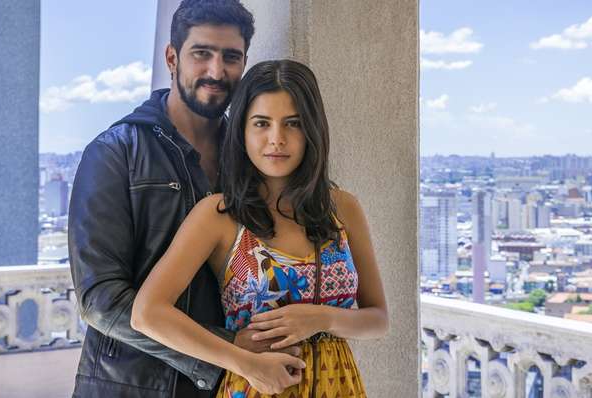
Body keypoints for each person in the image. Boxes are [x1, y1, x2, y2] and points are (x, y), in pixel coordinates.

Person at [131, 60, 389, 397]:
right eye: (261, 123)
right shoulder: (219, 215)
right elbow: (147, 313)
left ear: (312, 129)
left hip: (340, 386)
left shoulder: (342, 208)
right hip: (257, 388)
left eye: (292, 124)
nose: (276, 139)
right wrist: (244, 363)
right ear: (242, 131)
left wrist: (322, 318)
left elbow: (378, 319)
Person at [68, 1, 285, 397]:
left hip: (236, 382)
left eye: (230, 57)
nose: (216, 72)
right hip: (132, 387)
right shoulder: (116, 153)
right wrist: (223, 350)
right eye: (201, 53)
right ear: (172, 57)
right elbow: (100, 299)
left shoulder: (252, 160)